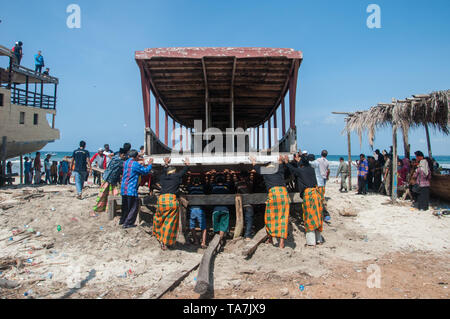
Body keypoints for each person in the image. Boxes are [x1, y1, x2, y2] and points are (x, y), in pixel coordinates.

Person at [249, 155, 289, 249]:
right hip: (283, 193)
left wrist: (253, 159)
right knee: (283, 217)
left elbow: (255, 165)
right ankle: (281, 243)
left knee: (269, 217)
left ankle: (270, 238)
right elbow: (280, 161)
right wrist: (283, 159)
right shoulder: (279, 169)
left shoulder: (264, 170)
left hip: (274, 194)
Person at [283, 154, 324, 246]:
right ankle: (318, 239)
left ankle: (311, 242)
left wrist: (286, 162)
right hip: (316, 194)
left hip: (309, 196)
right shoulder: (311, 169)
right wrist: (298, 162)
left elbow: (294, 170)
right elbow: (300, 169)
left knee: (309, 217)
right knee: (317, 216)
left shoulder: (301, 171)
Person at [153, 157, 189, 250]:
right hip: (171, 201)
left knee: (159, 219)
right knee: (170, 223)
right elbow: (183, 171)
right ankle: (166, 242)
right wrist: (187, 164)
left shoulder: (162, 178)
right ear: (174, 171)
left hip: (161, 201)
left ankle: (158, 235)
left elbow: (164, 172)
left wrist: (166, 164)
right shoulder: (176, 176)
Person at [120, 150, 153, 227]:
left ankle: (122, 220)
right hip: (131, 189)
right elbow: (145, 171)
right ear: (136, 157)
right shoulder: (135, 164)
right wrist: (150, 164)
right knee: (134, 207)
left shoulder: (125, 163)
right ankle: (128, 223)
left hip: (124, 188)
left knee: (125, 206)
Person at [91, 148, 128, 217]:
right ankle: (94, 211)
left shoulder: (115, 158)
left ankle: (109, 209)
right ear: (122, 154)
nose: (125, 157)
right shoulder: (119, 161)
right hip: (108, 179)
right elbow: (126, 165)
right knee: (102, 195)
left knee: (113, 195)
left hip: (111, 179)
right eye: (125, 155)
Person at [208, 170, 233, 246]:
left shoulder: (213, 187)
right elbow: (229, 181)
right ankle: (220, 241)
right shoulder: (226, 186)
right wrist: (228, 173)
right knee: (223, 227)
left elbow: (210, 183)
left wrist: (212, 174)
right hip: (225, 209)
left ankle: (216, 240)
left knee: (216, 227)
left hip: (216, 210)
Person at [232, 169, 256, 240]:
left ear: (240, 177)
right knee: (249, 220)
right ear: (247, 176)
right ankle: (247, 235)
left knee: (240, 220)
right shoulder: (249, 183)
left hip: (240, 205)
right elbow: (252, 178)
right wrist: (252, 172)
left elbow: (235, 180)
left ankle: (240, 234)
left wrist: (233, 174)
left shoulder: (238, 184)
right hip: (248, 204)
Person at [186, 173, 207, 248]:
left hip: (192, 209)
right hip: (200, 209)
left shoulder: (190, 188)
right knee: (203, 227)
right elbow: (206, 183)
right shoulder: (202, 187)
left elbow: (188, 184)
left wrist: (189, 176)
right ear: (199, 183)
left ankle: (196, 240)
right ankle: (203, 242)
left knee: (192, 226)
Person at [311, 150, 331, 223]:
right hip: (323, 178)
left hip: (317, 179)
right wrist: (327, 176)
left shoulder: (317, 160)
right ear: (326, 155)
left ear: (321, 154)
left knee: (317, 195)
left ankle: (319, 212)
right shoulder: (327, 162)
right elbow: (328, 170)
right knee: (321, 194)